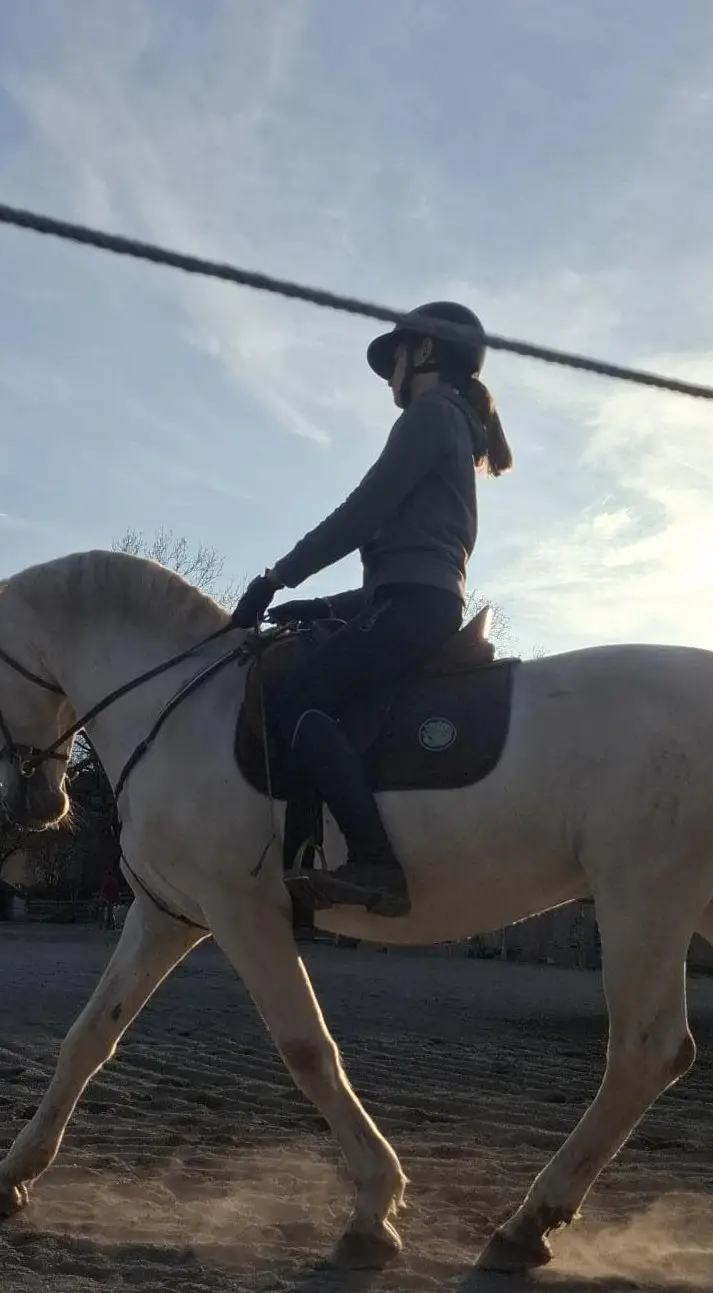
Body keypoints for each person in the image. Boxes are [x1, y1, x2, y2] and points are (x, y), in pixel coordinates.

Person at [230, 300, 512, 918]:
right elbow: (404, 565)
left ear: (427, 352)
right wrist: (321, 604)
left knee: (294, 699)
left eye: (397, 357)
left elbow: (362, 513)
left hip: (414, 607)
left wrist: (275, 577)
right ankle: (303, 859)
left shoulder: (431, 413)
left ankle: (375, 862)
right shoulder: (453, 425)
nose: (390, 375)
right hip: (414, 601)